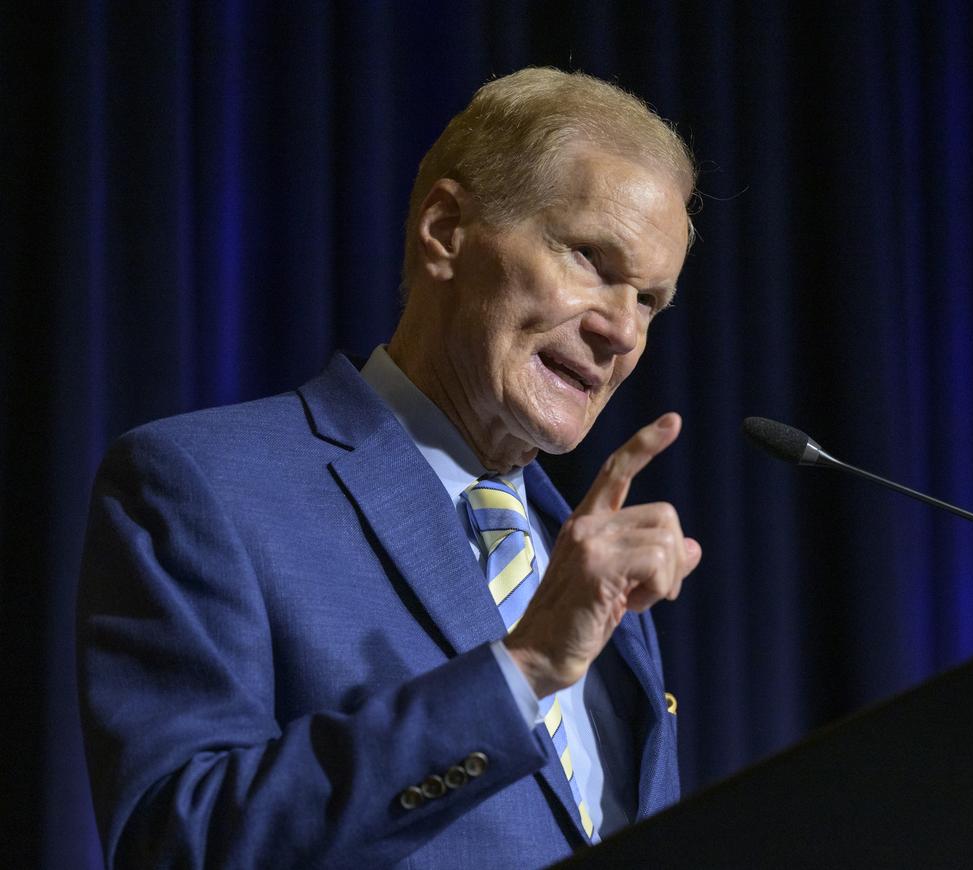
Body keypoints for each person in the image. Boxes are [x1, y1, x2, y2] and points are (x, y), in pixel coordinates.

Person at [78, 67, 701, 869]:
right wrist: (523, 670)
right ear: (445, 229)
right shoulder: (200, 487)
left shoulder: (588, 565)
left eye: (649, 300)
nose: (622, 330)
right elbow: (180, 845)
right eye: (589, 259)